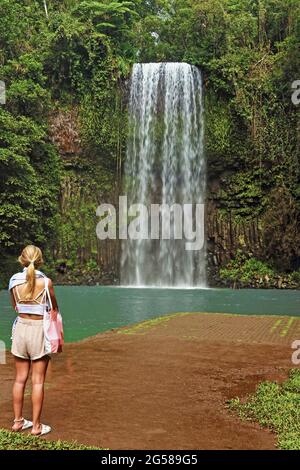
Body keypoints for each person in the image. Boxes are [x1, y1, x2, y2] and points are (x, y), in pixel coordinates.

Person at [8, 245, 59, 436]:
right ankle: (36, 426)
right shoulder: (46, 282)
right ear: (40, 261)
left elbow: (15, 306)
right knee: (37, 382)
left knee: (20, 379)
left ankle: (18, 422)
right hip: (38, 331)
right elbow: (54, 309)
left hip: (20, 329)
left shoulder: (13, 281)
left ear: (21, 260)